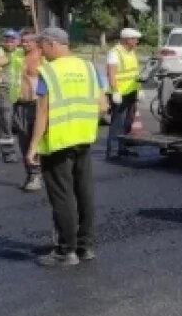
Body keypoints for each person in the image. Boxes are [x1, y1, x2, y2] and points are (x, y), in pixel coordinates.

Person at [26, 27, 107, 267]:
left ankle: (65, 250)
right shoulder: (89, 68)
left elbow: (42, 111)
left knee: (63, 197)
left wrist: (33, 146)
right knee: (84, 193)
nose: (41, 52)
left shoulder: (48, 72)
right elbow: (103, 105)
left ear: (53, 44)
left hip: (59, 141)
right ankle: (86, 247)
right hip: (83, 138)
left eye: (42, 47)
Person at [105, 27, 142, 161]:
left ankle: (122, 147)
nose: (137, 41)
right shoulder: (115, 53)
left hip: (131, 92)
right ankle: (114, 150)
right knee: (117, 123)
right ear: (127, 40)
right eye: (135, 39)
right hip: (119, 94)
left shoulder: (131, 52)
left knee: (128, 122)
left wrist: (140, 89)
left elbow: (135, 73)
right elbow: (111, 73)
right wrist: (115, 92)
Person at [13, 32, 43, 192]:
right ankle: (32, 174)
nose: (23, 44)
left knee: (38, 140)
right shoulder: (16, 56)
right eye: (22, 41)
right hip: (20, 105)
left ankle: (40, 174)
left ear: (36, 42)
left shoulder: (43, 57)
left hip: (38, 105)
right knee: (25, 140)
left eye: (27, 42)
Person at [0, 29, 24, 163]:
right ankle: (8, 153)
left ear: (18, 41)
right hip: (4, 92)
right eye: (6, 40)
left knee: (23, 124)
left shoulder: (22, 52)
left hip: (21, 93)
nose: (9, 43)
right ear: (2, 41)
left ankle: (28, 151)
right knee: (5, 123)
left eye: (12, 40)